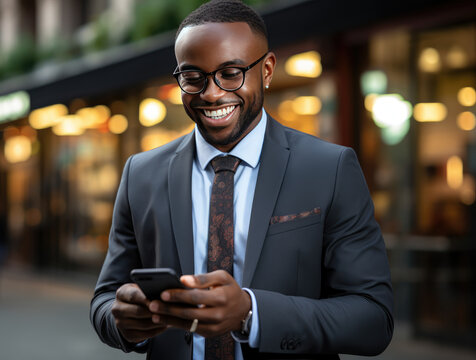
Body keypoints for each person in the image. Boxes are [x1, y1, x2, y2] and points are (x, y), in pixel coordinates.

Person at [90, 1, 393, 359]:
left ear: (266, 70)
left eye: (230, 72)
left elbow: (374, 318)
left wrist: (251, 312)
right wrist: (123, 320)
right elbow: (105, 300)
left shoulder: (330, 168)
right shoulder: (140, 174)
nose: (212, 93)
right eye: (193, 77)